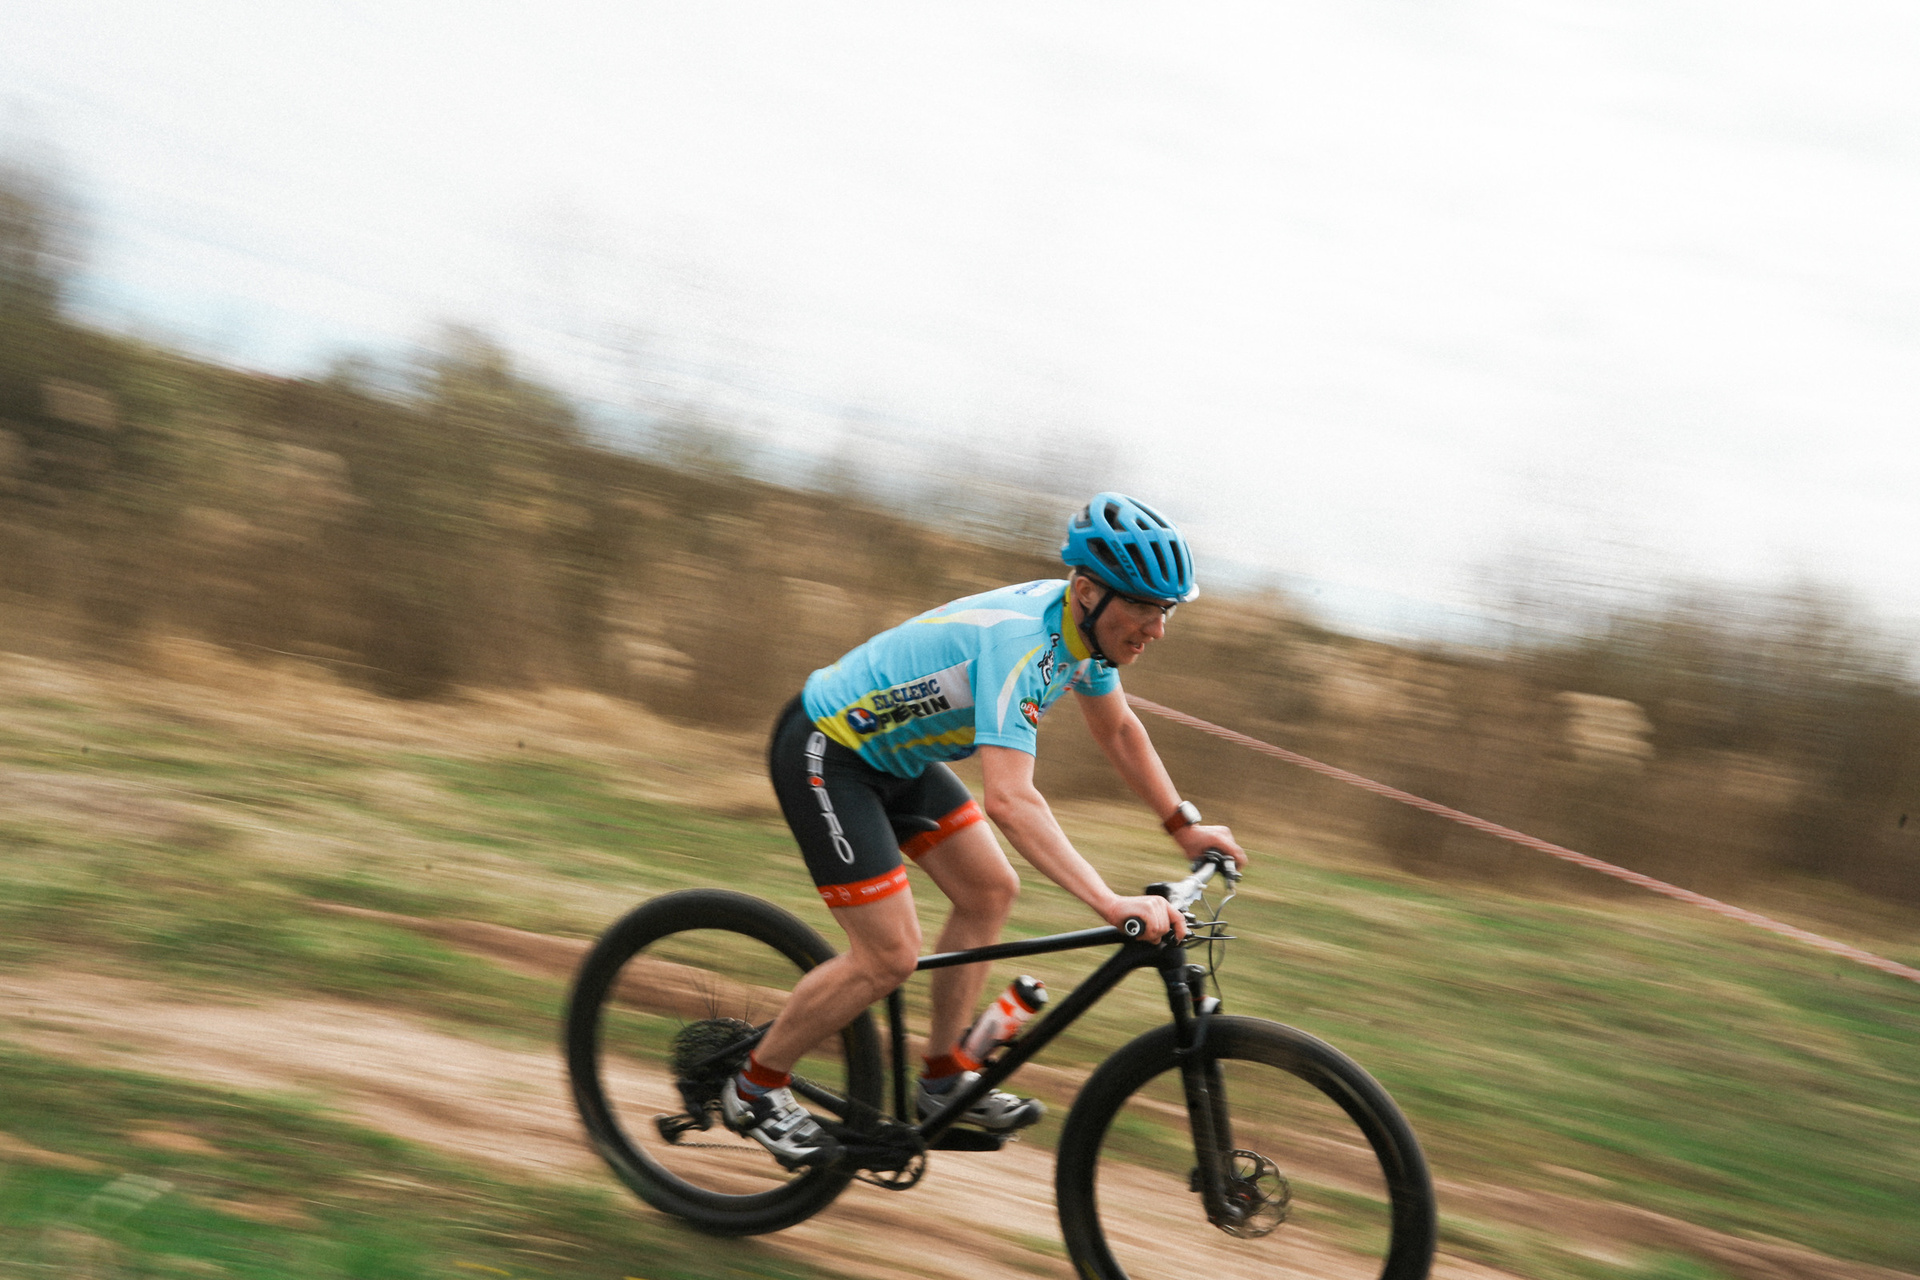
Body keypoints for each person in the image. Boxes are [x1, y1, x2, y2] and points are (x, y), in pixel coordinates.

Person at [723, 493, 1247, 1168]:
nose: (1158, 628)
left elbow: (1118, 729)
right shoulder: (1023, 645)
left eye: (1166, 610)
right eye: (1145, 607)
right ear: (1089, 592)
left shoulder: (1085, 638)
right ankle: (754, 1088)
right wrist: (1110, 902)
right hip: (830, 750)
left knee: (989, 890)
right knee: (889, 955)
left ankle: (942, 1080)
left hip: (899, 757)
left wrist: (1183, 828)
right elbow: (1011, 800)